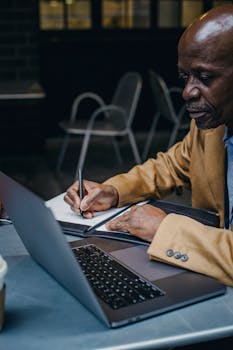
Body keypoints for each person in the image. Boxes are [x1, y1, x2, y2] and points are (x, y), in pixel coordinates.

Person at [64, 4, 233, 287]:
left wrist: (163, 228)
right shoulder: (214, 126)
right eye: (185, 77)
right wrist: (114, 191)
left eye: (204, 78)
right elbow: (173, 165)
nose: (187, 91)